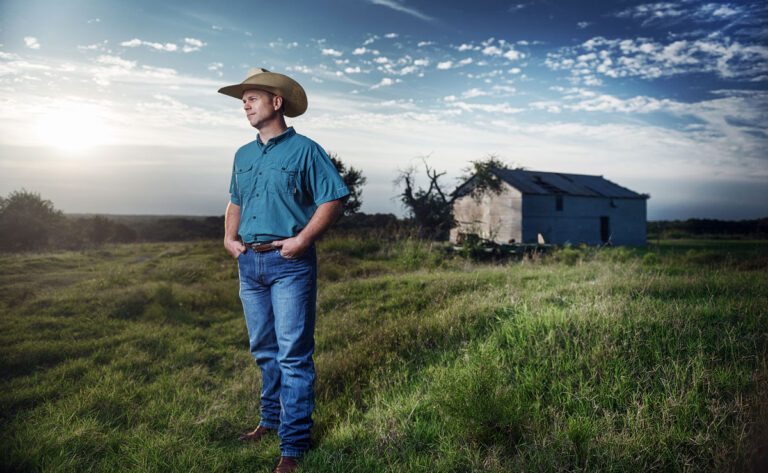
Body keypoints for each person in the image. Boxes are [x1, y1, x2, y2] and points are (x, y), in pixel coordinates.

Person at [218, 68, 349, 473]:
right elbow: (235, 201)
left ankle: (293, 446)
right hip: (250, 264)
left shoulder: (306, 150)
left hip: (289, 262)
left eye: (252, 98)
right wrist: (229, 239)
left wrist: (303, 240)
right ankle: (269, 422)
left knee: (293, 355)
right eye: (243, 100)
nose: (245, 104)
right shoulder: (242, 154)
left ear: (277, 103)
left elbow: (333, 199)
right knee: (264, 350)